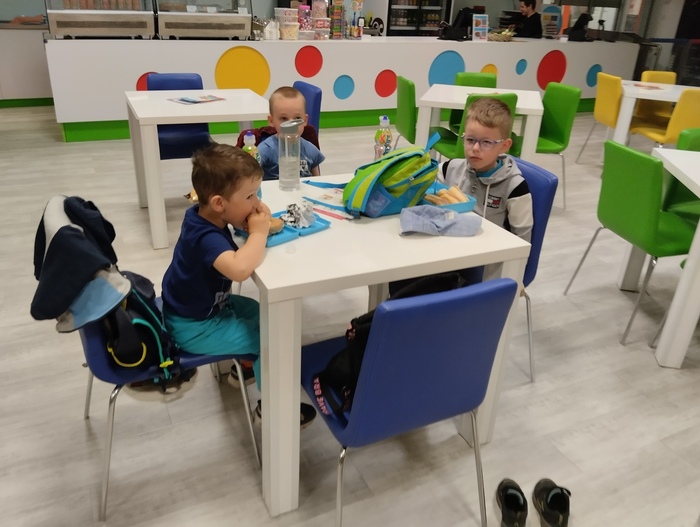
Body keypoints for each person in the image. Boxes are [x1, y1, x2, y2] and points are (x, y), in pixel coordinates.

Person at [161, 143, 317, 428]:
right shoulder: (205, 237)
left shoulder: (204, 215)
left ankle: (244, 368)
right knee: (271, 341)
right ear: (219, 203)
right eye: (249, 196)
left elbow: (234, 238)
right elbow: (240, 269)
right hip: (194, 326)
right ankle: (274, 411)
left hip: (204, 308)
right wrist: (258, 232)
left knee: (262, 314)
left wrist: (250, 216)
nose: (256, 202)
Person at [389, 98, 533, 294]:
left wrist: (518, 274)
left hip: (483, 266)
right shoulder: (451, 168)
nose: (475, 148)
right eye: (470, 140)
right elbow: (425, 191)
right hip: (444, 253)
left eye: (486, 142)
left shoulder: (516, 187)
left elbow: (523, 237)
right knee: (399, 274)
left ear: (504, 145)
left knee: (413, 287)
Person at [258, 86, 325, 181]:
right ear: (271, 121)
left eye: (297, 118)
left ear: (305, 120)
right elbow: (250, 177)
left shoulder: (310, 149)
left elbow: (318, 180)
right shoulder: (266, 149)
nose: (291, 124)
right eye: (284, 118)